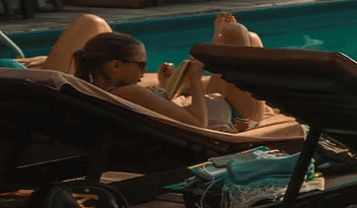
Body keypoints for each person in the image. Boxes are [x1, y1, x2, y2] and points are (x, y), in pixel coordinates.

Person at [47, 12, 268, 129]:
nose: (144, 72)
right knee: (237, 32)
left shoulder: (97, 90)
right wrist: (194, 77)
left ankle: (218, 45)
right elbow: (196, 124)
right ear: (115, 66)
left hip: (219, 103)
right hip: (235, 114)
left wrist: (165, 88)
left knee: (247, 38)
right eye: (141, 65)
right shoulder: (130, 92)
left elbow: (164, 114)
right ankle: (217, 44)